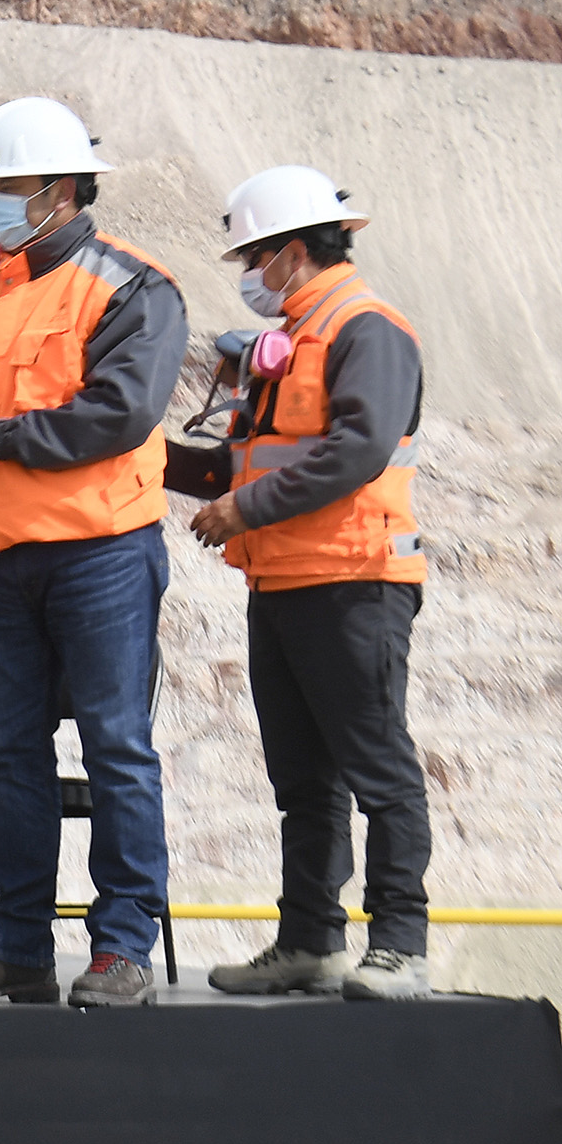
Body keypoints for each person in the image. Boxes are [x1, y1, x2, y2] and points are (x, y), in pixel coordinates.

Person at [0, 98, 187, 1009]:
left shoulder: (131, 286)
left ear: (59, 190)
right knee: (10, 752)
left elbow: (120, 413)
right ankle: (15, 945)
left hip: (99, 551)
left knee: (114, 747)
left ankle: (121, 949)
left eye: (7, 185)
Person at [176, 166, 434, 1003]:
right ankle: (309, 942)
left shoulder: (367, 329)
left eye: (252, 255)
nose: (248, 273)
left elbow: (354, 450)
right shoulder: (290, 339)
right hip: (283, 582)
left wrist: (240, 507)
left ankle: (398, 943)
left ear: (289, 251)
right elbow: (243, 458)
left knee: (377, 769)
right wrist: (153, 459)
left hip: (355, 582)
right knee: (303, 781)